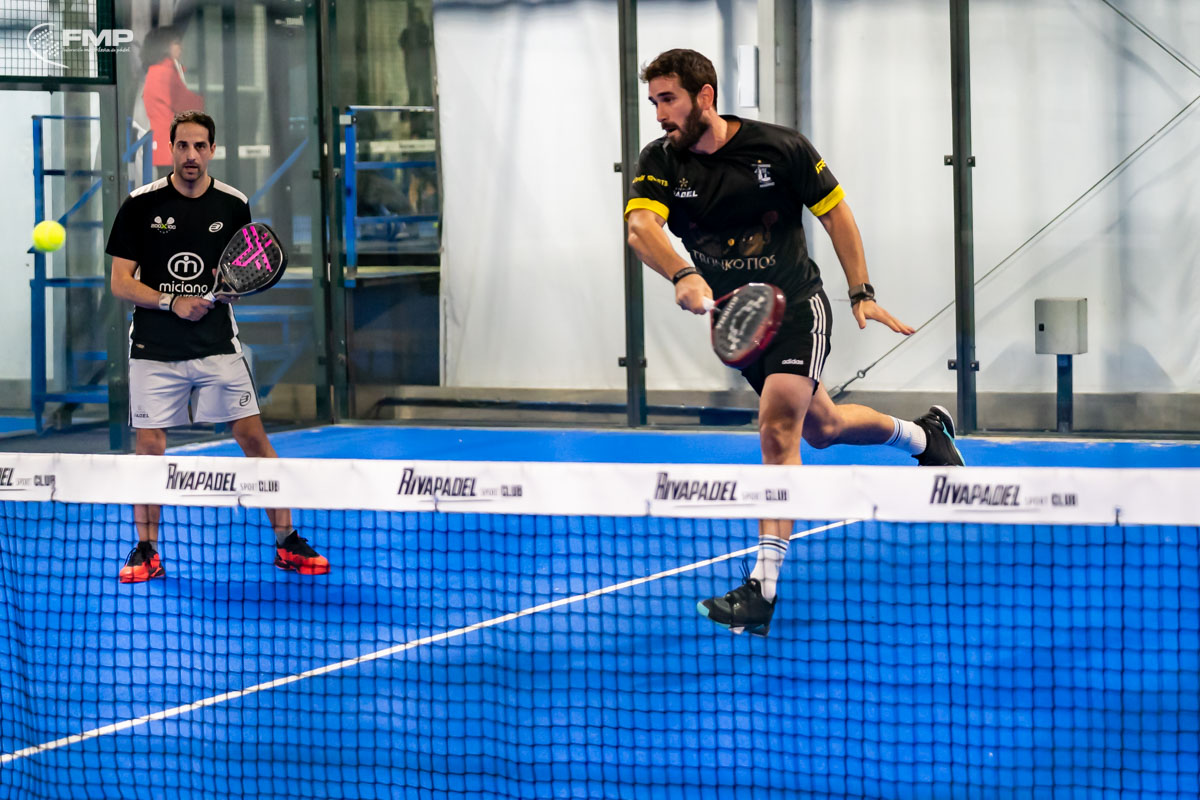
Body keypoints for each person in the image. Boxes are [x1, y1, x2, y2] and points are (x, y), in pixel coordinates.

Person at [624, 49, 963, 637]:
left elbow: (836, 215)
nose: (659, 114)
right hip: (741, 320)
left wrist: (861, 291)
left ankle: (761, 589)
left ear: (705, 96)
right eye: (653, 101)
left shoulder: (781, 148)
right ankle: (923, 435)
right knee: (822, 428)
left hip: (796, 306)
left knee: (777, 429)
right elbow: (640, 228)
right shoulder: (660, 160)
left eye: (668, 99)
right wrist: (682, 273)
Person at [107, 110, 330, 583]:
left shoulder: (233, 204)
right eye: (182, 145)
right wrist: (172, 301)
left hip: (217, 346)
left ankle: (287, 541)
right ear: (171, 149)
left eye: (199, 146)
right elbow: (120, 282)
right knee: (149, 448)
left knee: (253, 438)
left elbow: (242, 266)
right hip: (153, 347)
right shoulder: (140, 204)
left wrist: (228, 290)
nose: (191, 155)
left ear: (212, 150)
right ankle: (146, 550)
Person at [141, 26, 205, 177]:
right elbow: (187, 104)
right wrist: (209, 100)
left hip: (162, 144)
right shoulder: (166, 72)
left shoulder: (153, 71)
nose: (181, 47)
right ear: (164, 46)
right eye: (176, 43)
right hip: (173, 144)